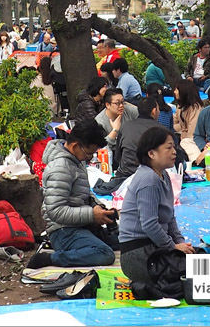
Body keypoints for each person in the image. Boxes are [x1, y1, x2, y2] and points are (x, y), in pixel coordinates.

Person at [28, 120, 118, 269]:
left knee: (123, 240)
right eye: (89, 153)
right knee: (105, 254)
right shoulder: (60, 168)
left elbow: (84, 193)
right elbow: (55, 211)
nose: (90, 158)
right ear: (76, 146)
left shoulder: (76, 160)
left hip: (80, 224)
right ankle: (49, 259)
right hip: (62, 231)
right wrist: (91, 214)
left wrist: (98, 207)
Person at [119, 126, 195, 300]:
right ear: (151, 153)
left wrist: (180, 244)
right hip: (139, 254)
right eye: (168, 147)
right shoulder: (148, 180)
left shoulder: (164, 176)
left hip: (154, 247)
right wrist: (172, 247)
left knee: (195, 260)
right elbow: (149, 224)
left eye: (174, 147)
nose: (174, 152)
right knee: (192, 275)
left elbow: (170, 217)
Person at [95, 97, 160, 194]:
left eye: (123, 102)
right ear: (154, 111)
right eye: (117, 103)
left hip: (126, 173)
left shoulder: (126, 125)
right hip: (147, 174)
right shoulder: (160, 130)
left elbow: (118, 156)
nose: (121, 106)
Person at [172, 80, 204, 162]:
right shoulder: (180, 105)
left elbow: (192, 131)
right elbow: (175, 122)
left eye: (176, 90)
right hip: (183, 138)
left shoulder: (195, 108)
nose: (174, 92)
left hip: (192, 141)